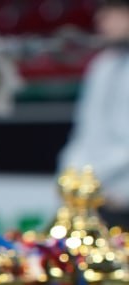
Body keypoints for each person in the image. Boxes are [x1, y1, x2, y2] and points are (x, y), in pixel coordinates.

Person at [59, 0, 129, 229]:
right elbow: (85, 129)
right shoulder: (102, 64)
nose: (100, 20)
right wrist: (71, 175)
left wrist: (94, 176)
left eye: (110, 12)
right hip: (96, 199)